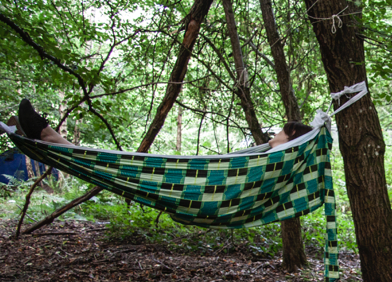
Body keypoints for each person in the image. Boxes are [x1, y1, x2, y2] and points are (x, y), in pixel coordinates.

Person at [7, 99, 311, 150]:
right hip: (195, 174)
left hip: (196, 181)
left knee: (95, 155)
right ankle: (43, 136)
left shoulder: (276, 157)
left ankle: (45, 136)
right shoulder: (273, 155)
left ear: (293, 135)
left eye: (280, 131)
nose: (274, 134)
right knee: (94, 155)